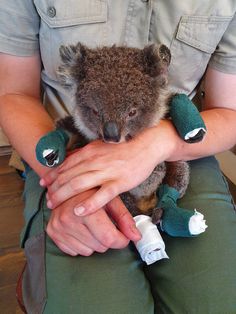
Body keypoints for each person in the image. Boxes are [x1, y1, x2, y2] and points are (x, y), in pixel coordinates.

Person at [0, 1, 236, 313]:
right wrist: (71, 183)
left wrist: (157, 143)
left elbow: (230, 111)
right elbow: (14, 93)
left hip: (180, 148)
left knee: (215, 301)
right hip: (68, 150)